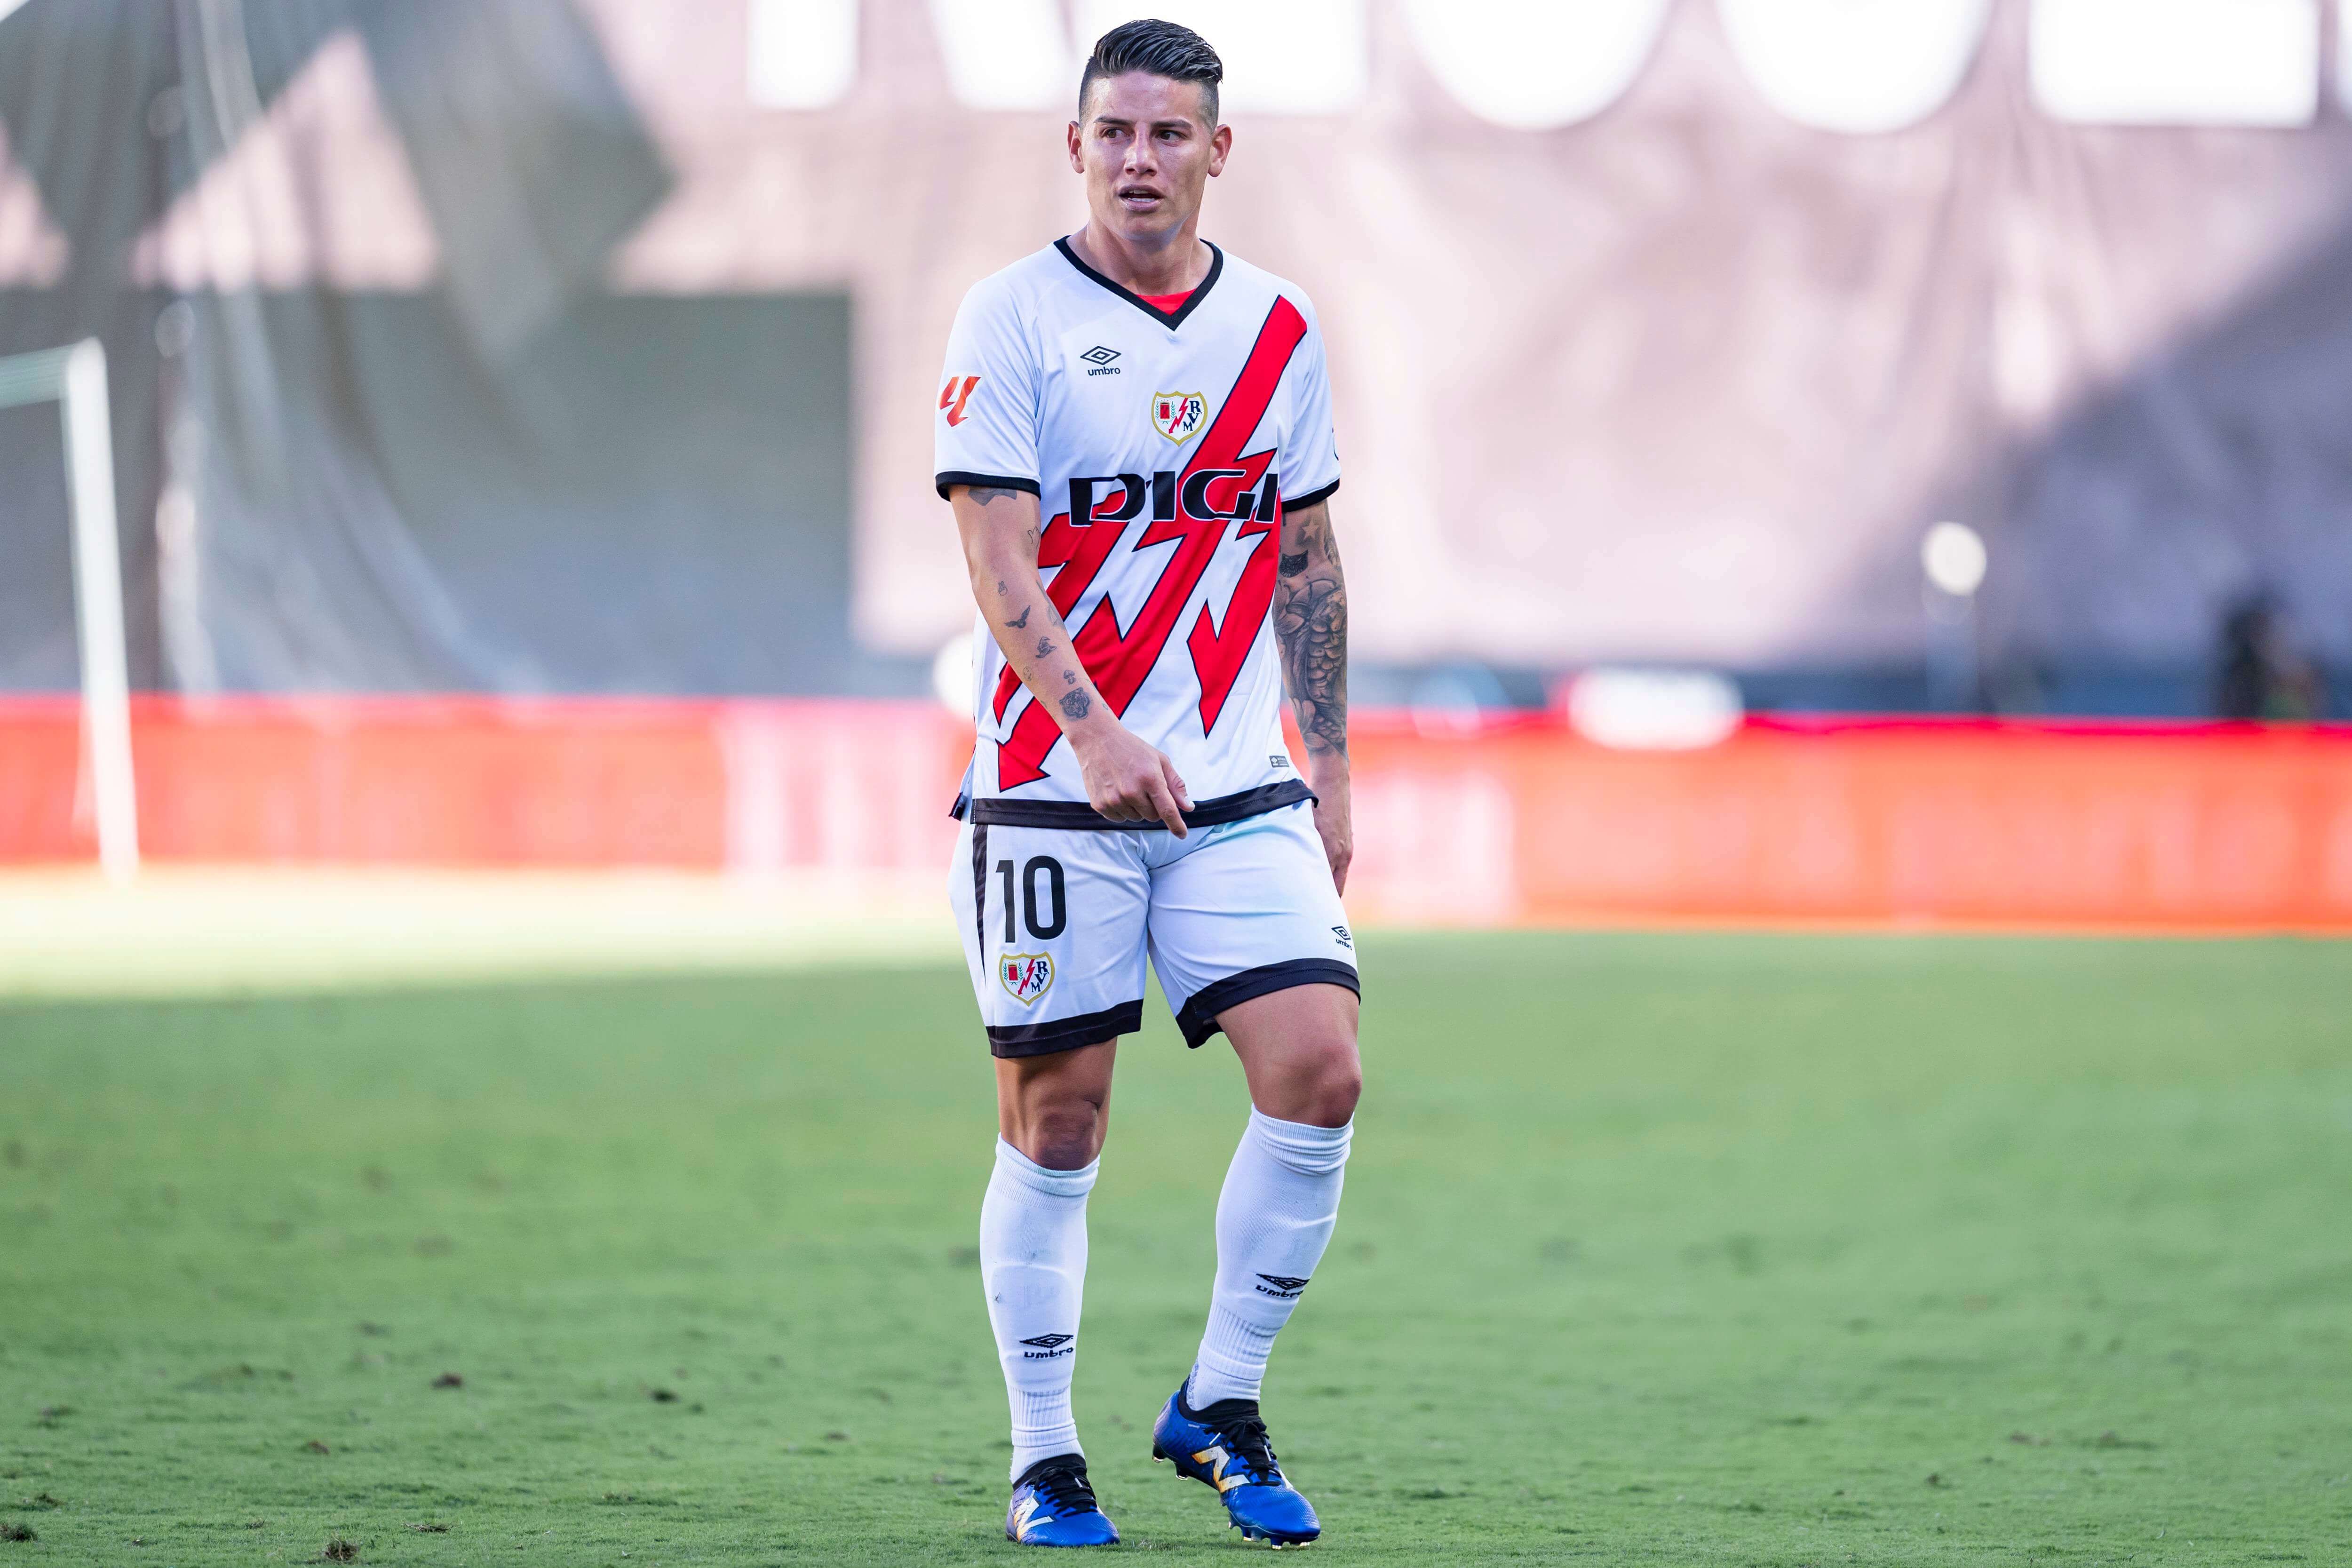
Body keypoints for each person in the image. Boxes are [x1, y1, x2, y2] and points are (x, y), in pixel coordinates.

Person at [934, 17, 1359, 1551]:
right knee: (1060, 1125)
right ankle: (1045, 1455)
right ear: (1075, 145)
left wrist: (1336, 772)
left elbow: (1304, 555)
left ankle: (1219, 1401)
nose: (1140, 159)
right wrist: (1099, 733)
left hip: (1241, 787)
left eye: (1171, 134)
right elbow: (994, 551)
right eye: (1114, 131)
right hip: (1057, 790)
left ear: (1218, 152)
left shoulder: (1280, 332)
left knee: (1322, 1072)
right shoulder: (1011, 317)